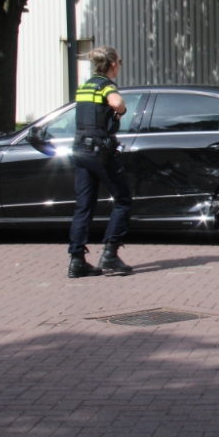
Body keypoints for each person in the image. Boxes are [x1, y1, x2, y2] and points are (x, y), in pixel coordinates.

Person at [67, 47, 135, 278]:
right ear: (113, 64)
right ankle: (110, 253)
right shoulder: (106, 85)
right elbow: (116, 104)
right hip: (99, 151)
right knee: (123, 199)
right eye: (119, 62)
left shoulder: (84, 87)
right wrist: (121, 111)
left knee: (83, 206)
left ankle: (77, 260)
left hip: (80, 150)